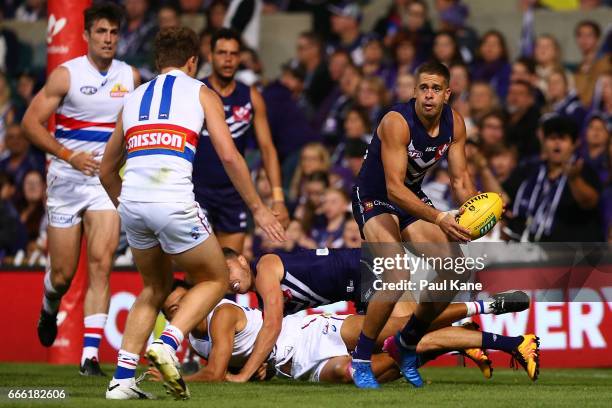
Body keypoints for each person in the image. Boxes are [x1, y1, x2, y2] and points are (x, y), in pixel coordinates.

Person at [99, 26, 285, 400]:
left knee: (154, 287)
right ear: (193, 61)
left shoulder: (133, 97)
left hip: (132, 201)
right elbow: (230, 155)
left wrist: (131, 207)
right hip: (174, 200)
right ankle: (168, 342)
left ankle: (121, 381)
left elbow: (106, 169)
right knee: (215, 278)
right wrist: (258, 207)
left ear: (157, 61)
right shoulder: (202, 92)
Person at [21, 3, 140, 376]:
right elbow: (30, 123)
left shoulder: (130, 76)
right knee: (62, 274)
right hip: (67, 181)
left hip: (105, 182)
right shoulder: (66, 75)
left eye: (113, 33)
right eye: (101, 32)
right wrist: (68, 154)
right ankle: (48, 305)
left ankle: (90, 356)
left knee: (101, 264)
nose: (108, 39)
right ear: (86, 35)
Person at [221, 245, 530, 383]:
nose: (229, 280)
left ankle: (490, 317)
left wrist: (245, 373)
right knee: (404, 337)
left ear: (243, 260)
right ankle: (464, 336)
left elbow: (273, 325)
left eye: (228, 269)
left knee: (405, 332)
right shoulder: (262, 287)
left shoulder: (264, 270)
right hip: (362, 279)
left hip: (369, 269)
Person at [350, 61, 478, 389]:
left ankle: (405, 343)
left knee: (455, 268)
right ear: (414, 91)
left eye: (436, 89)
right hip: (375, 198)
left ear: (448, 93)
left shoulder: (456, 124)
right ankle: (361, 358)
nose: (429, 95)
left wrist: (479, 211)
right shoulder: (397, 122)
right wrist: (439, 218)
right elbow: (393, 187)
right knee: (396, 274)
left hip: (410, 198)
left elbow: (461, 179)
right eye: (423, 88)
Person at [152, 281, 538, 384]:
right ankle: (434, 350)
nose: (179, 311)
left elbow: (219, 375)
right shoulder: (193, 336)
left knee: (403, 327)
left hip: (307, 333)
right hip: (294, 365)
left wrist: (177, 377)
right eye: (171, 310)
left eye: (182, 303)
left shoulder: (219, 315)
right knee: (358, 372)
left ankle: (485, 306)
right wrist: (256, 370)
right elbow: (247, 367)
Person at [193, 28, 289, 254]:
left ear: (240, 57)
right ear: (210, 56)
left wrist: (278, 198)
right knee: (199, 273)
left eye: (233, 54)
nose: (228, 59)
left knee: (231, 268)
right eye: (222, 53)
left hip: (234, 194)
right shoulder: (195, 92)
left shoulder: (251, 96)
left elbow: (267, 149)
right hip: (196, 192)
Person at [508, 116, 603, 242]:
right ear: (544, 142)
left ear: (574, 144)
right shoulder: (530, 169)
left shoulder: (583, 169)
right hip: (529, 246)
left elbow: (589, 202)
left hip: (570, 253)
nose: (557, 143)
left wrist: (574, 179)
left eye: (563, 139)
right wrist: (484, 168)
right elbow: (504, 195)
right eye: (552, 138)